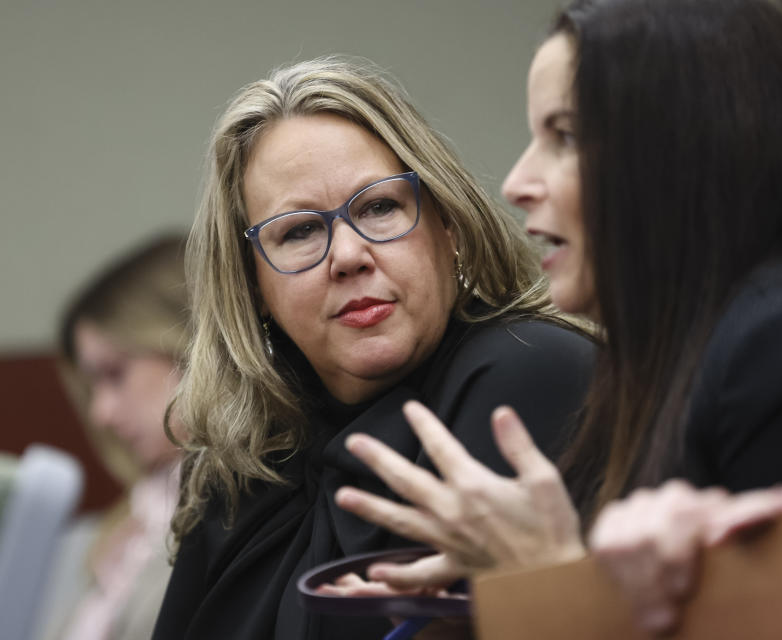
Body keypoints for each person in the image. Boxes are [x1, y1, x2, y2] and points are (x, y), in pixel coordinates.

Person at [332, 0, 782, 633]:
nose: (518, 181)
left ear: (687, 149)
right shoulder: (677, 359)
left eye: (566, 137)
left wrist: (548, 577)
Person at [151, 57, 595, 639]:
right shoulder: (239, 457)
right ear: (252, 284)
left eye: (380, 207)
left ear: (447, 224)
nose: (348, 256)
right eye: (300, 231)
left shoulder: (527, 367)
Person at [43, 234, 187, 640]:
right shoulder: (118, 526)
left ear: (189, 346)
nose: (99, 412)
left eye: (115, 374)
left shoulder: (251, 507)